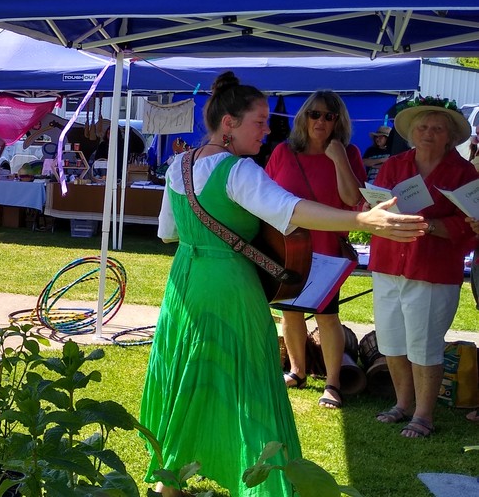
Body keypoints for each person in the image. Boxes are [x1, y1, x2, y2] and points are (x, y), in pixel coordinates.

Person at [143, 71, 424, 497]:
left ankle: (172, 483)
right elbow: (291, 209)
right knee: (248, 382)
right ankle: (261, 485)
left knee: (189, 376)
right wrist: (361, 219)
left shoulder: (177, 166)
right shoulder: (238, 170)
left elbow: (169, 232)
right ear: (229, 124)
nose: (267, 130)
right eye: (258, 122)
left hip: (185, 282)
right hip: (230, 286)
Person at [369, 98, 477, 439]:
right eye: (423, 127)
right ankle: (402, 404)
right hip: (389, 262)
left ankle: (424, 415)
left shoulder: (464, 172)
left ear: (449, 137)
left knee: (424, 343)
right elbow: (375, 203)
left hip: (432, 268)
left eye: (437, 128)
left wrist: (429, 225)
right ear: (413, 132)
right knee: (392, 341)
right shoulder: (395, 164)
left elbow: (468, 224)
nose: (428, 133)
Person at [265, 90, 366, 411]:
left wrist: (337, 158)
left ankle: (333, 382)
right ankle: (297, 371)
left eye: (329, 116)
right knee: (290, 312)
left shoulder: (348, 154)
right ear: (303, 117)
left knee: (327, 316)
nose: (321, 121)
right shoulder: (283, 152)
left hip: (327, 252)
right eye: (315, 114)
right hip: (287, 248)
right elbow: (265, 196)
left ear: (338, 121)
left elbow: (353, 200)